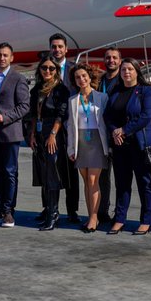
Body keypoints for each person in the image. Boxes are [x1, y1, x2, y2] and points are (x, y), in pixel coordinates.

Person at [104, 58, 151, 235]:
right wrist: (114, 132)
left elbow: (146, 116)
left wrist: (123, 130)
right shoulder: (115, 91)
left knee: (145, 183)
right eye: (124, 69)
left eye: (130, 69)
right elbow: (108, 116)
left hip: (141, 145)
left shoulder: (146, 91)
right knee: (122, 184)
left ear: (136, 71)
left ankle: (146, 221)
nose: (126, 72)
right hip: (120, 145)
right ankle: (120, 219)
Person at [0, 43, 30, 228]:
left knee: (9, 173)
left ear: (12, 58)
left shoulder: (18, 78)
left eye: (5, 55)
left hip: (10, 132)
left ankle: (8, 212)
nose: (1, 58)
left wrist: (5, 117)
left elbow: (24, 106)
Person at [27, 56, 70, 231]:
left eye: (51, 69)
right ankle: (48, 210)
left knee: (53, 174)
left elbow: (61, 114)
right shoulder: (37, 89)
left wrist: (53, 134)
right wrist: (32, 135)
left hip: (54, 133)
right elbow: (33, 114)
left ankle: (53, 213)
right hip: (39, 131)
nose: (47, 71)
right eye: (44, 68)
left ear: (57, 71)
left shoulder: (61, 89)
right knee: (43, 174)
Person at [67, 63, 109, 233]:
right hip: (81, 142)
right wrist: (71, 148)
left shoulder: (102, 97)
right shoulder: (72, 100)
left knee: (93, 180)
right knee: (86, 181)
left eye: (84, 76)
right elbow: (70, 126)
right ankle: (90, 214)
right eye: (78, 77)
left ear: (90, 77)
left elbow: (107, 122)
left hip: (97, 142)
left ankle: (94, 217)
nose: (81, 79)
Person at [46, 34, 81, 223]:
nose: (57, 49)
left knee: (70, 170)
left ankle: (72, 210)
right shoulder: (45, 68)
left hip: (69, 126)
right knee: (50, 168)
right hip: (50, 126)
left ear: (66, 49)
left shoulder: (73, 70)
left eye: (60, 46)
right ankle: (49, 208)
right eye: (54, 46)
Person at [94, 47, 123, 227]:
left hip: (119, 135)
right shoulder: (100, 81)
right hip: (100, 135)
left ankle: (119, 214)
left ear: (120, 60)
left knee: (121, 178)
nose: (111, 60)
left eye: (114, 58)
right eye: (108, 58)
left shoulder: (124, 80)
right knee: (102, 177)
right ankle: (102, 211)